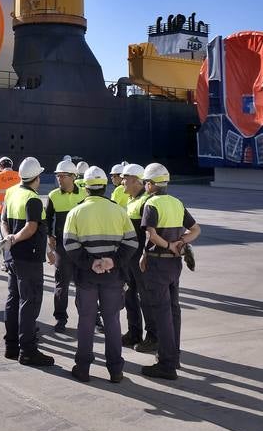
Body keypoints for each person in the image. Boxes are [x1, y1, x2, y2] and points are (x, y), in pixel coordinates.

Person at [64, 166, 138, 383]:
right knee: (112, 321)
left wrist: (91, 263)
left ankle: (83, 368)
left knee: (86, 321)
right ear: (105, 187)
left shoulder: (76, 212)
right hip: (113, 276)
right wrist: (111, 261)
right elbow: (132, 242)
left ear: (85, 188)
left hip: (87, 276)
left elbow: (69, 245)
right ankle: (116, 370)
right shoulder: (119, 211)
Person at [139, 162, 201, 380]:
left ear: (153, 184)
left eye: (146, 182)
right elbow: (196, 229)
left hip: (158, 263)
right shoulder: (176, 203)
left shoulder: (151, 204)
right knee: (174, 310)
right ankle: (174, 357)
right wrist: (181, 243)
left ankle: (166, 364)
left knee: (162, 313)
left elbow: (151, 235)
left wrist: (168, 245)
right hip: (175, 265)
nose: (145, 185)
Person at [0, 156, 54, 367]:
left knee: (13, 299)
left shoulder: (12, 192)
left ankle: (11, 346)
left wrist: (8, 238)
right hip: (28, 258)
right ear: (37, 178)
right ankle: (28, 351)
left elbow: (3, 220)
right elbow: (32, 227)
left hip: (12, 256)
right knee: (29, 302)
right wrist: (15, 238)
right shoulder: (32, 198)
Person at [119, 163, 158, 352]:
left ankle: (153, 336)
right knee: (129, 295)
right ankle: (134, 332)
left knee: (146, 298)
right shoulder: (131, 200)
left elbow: (150, 234)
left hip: (142, 260)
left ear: (136, 180)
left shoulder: (146, 202)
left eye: (125, 178)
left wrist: (145, 256)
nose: (122, 181)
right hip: (129, 259)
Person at [46, 156, 85, 332]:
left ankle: (92, 316)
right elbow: (46, 219)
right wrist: (49, 236)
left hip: (83, 246)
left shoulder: (84, 194)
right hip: (62, 245)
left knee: (85, 284)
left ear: (73, 177)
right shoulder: (53, 195)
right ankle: (60, 318)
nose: (59, 179)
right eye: (57, 176)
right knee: (61, 284)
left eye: (63, 176)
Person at [0, 156, 20, 269]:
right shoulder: (19, 175)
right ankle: (17, 260)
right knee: (17, 234)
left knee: (4, 235)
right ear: (11, 165)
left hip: (1, 210)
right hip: (17, 209)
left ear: (0, 166)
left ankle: (6, 263)